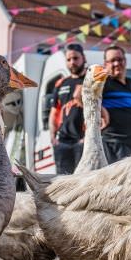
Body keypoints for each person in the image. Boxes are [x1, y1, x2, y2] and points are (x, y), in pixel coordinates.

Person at [101, 45, 131, 164]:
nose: (116, 63)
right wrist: (102, 111)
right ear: (105, 64)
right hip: (115, 143)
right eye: (112, 60)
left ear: (125, 61)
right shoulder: (103, 82)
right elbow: (80, 94)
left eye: (119, 59)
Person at [49, 44, 87, 174]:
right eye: (69, 59)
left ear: (84, 58)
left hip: (83, 141)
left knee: (83, 181)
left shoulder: (91, 79)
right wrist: (53, 137)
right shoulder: (60, 84)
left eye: (76, 58)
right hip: (62, 143)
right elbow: (54, 112)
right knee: (62, 181)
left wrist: (87, 138)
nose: (72, 62)